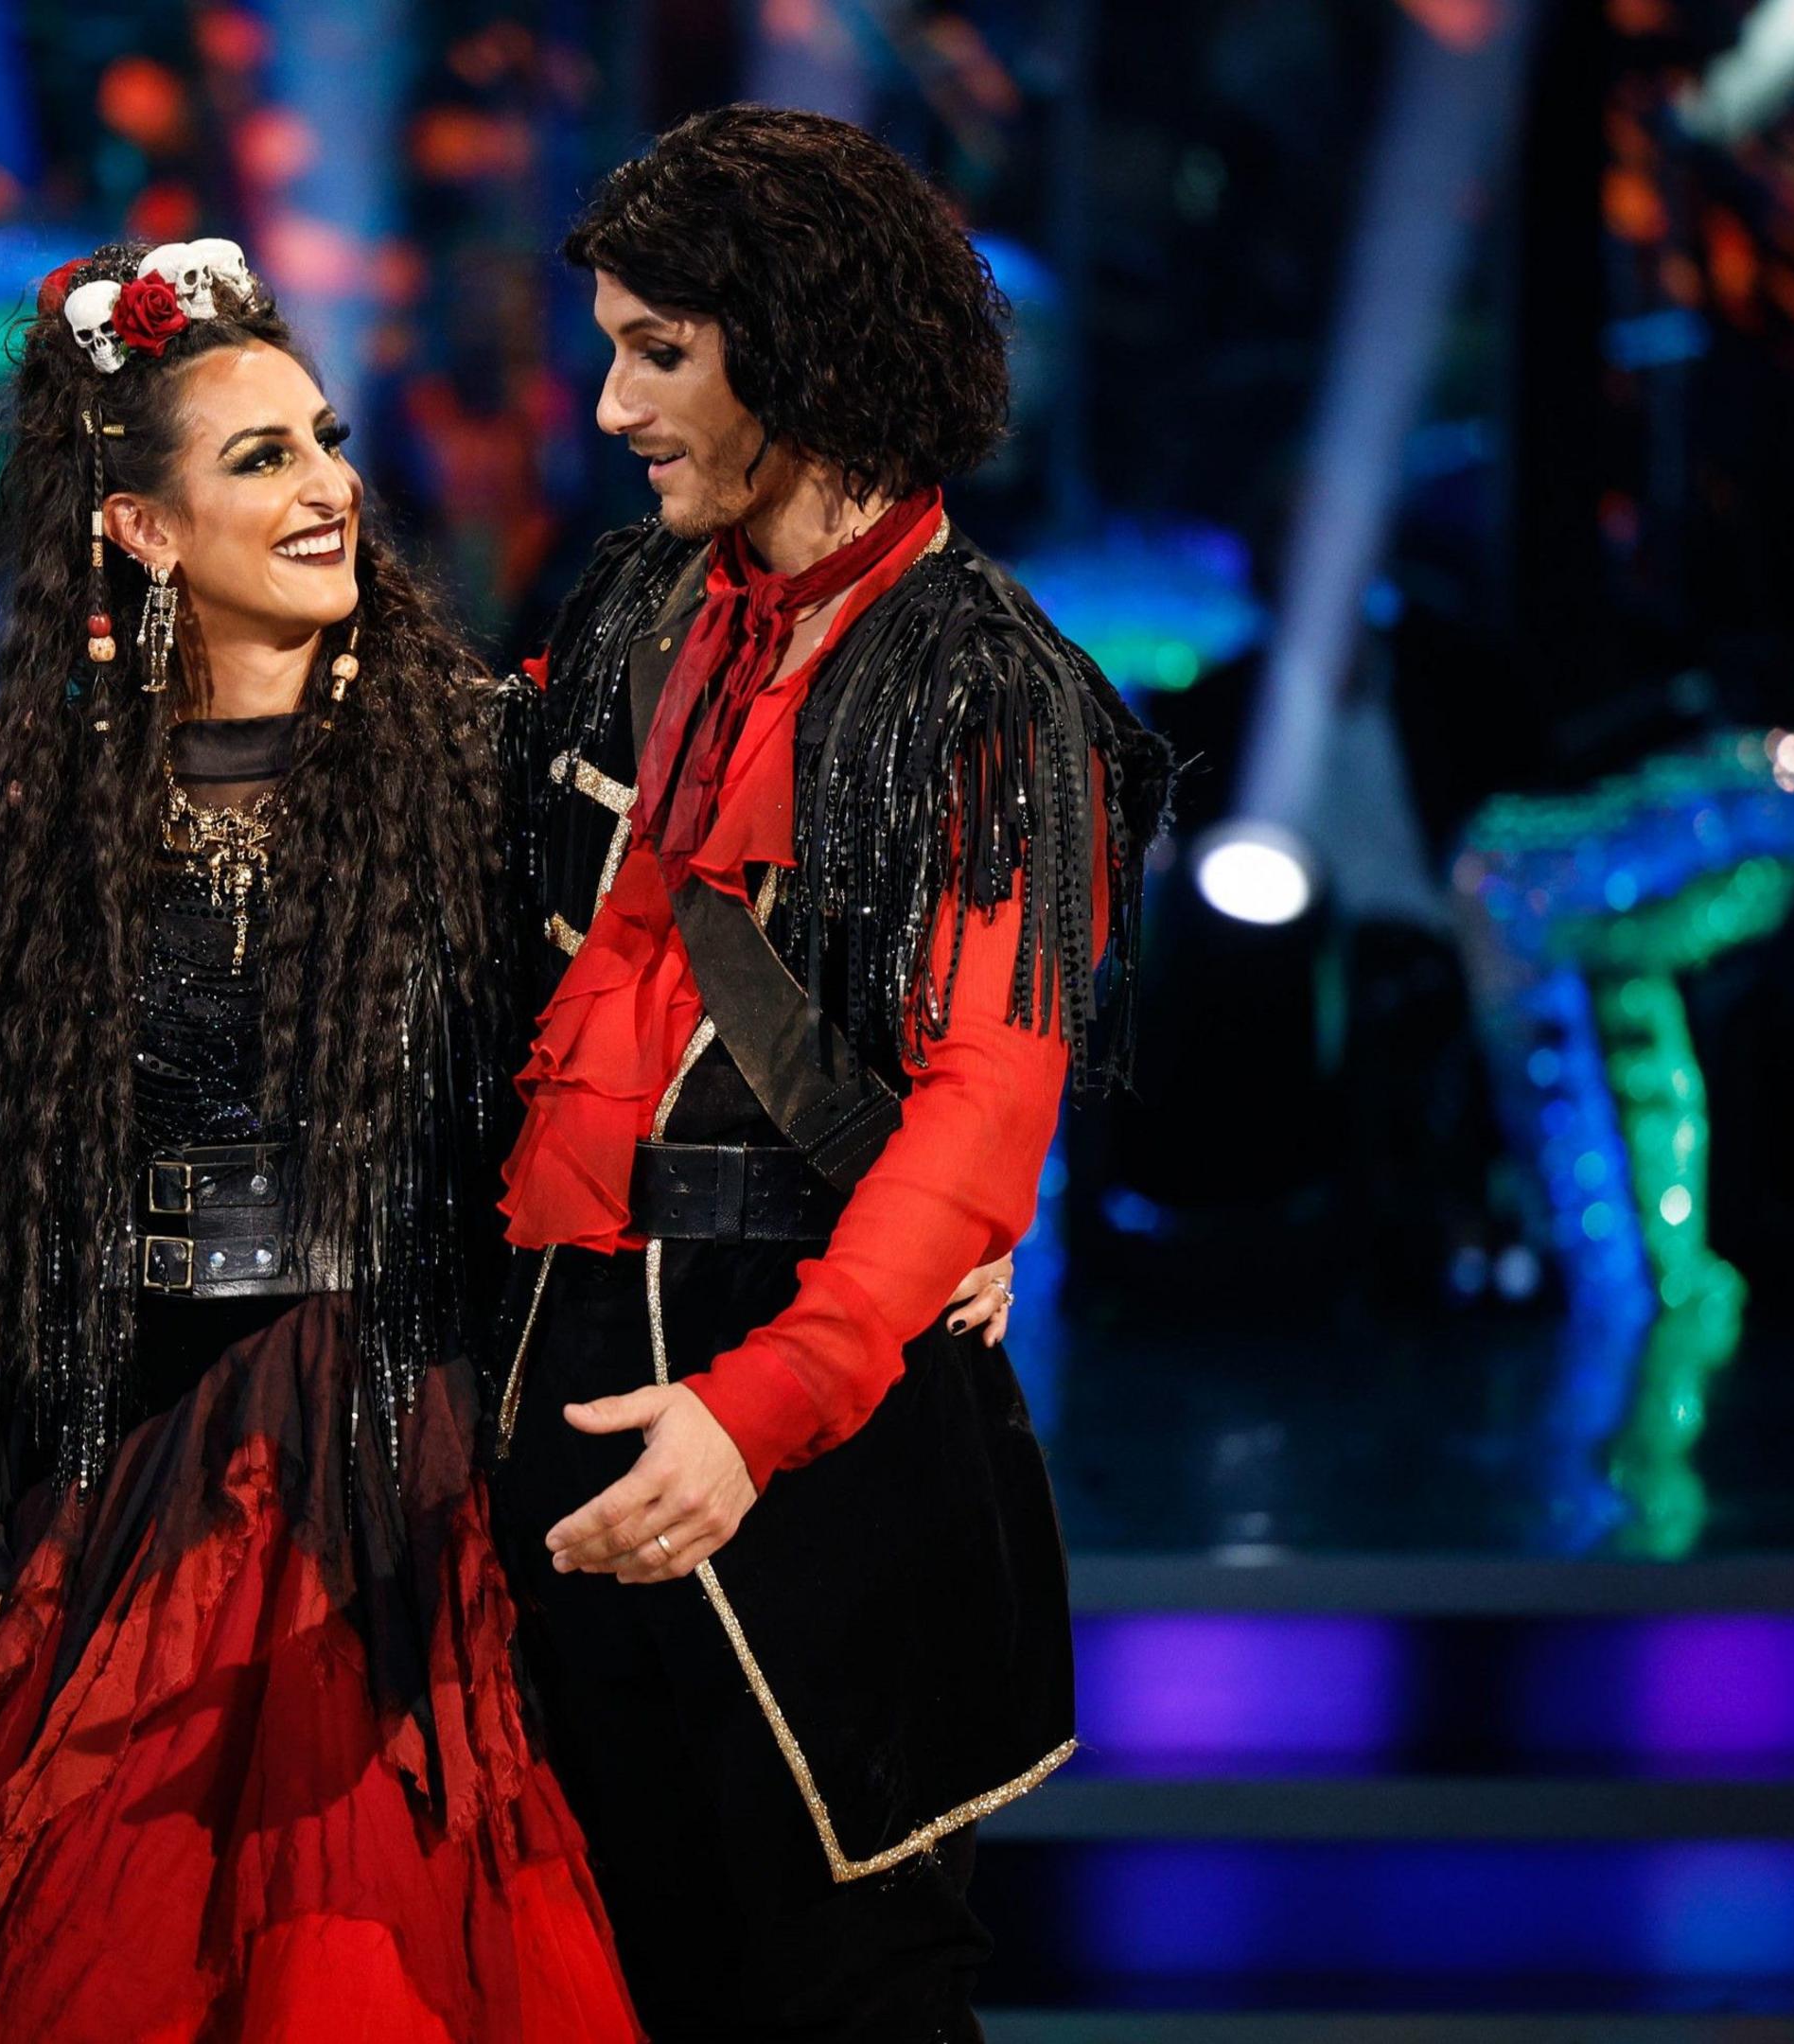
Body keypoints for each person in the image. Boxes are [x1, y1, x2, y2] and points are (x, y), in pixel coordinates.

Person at [0, 241, 642, 2044]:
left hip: (406, 1455)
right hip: (139, 1471)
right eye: (262, 457)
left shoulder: (484, 771)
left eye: (325, 438)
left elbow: (637, 1052)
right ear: (137, 529)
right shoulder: (51, 809)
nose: (330, 484)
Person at [492, 107, 1172, 2040]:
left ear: (798, 345)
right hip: (555, 1373)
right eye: (612, 344)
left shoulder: (986, 685)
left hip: (818, 1415)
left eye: (661, 350)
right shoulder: (637, 605)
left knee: (838, 1994)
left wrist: (756, 1406)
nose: (612, 401)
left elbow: (983, 1105)